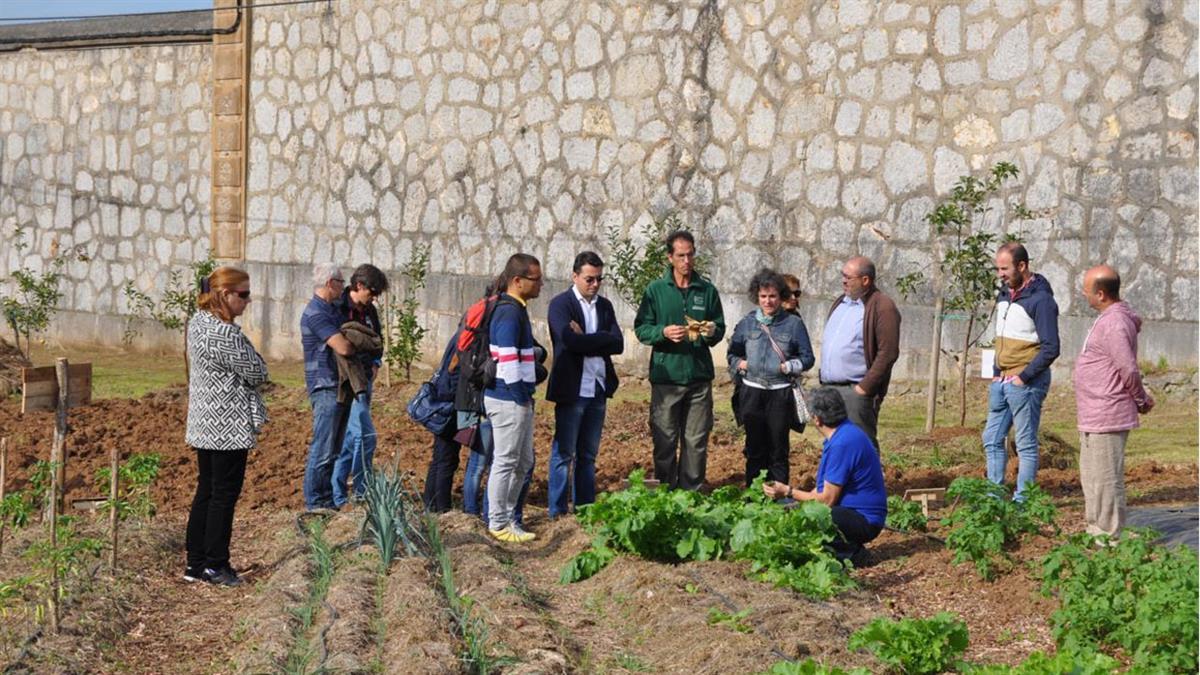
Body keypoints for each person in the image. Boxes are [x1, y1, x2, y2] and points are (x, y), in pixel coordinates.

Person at [184, 267, 268, 586]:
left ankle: (195, 563)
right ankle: (216, 565)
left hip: (205, 422)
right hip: (228, 426)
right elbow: (258, 371)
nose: (248, 300)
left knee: (206, 490)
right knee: (223, 495)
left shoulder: (198, 324)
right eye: (243, 294)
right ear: (224, 295)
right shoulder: (225, 334)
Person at [634, 230, 725, 490]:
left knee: (696, 441)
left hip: (698, 378)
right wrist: (662, 332)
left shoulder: (706, 291)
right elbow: (641, 328)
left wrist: (711, 331)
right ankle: (664, 492)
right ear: (670, 258)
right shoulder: (656, 290)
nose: (687, 261)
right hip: (667, 380)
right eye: (681, 256)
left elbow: (719, 327)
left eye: (691, 255)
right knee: (665, 441)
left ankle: (691, 494)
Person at [761, 387, 887, 563]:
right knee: (787, 507)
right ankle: (839, 547)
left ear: (817, 419)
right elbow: (822, 489)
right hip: (849, 512)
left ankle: (852, 554)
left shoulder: (843, 443)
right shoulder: (843, 433)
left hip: (865, 520)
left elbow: (827, 500)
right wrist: (792, 500)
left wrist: (789, 491)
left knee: (816, 516)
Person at [1073, 265, 1153, 537]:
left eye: (1087, 291)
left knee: (1106, 477)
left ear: (1102, 294)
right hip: (1093, 412)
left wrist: (1141, 398)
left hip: (1108, 410)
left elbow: (1127, 368)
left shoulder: (1117, 323)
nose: (1084, 295)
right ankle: (1096, 527)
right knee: (1092, 476)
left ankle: (1111, 532)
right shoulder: (1107, 318)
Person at [546, 251, 624, 517]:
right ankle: (557, 511)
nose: (595, 284)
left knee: (588, 456)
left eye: (599, 279)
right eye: (589, 279)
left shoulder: (604, 306)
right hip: (572, 388)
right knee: (564, 453)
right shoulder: (561, 305)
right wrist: (600, 340)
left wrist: (590, 338)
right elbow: (569, 341)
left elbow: (618, 343)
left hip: (598, 388)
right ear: (575, 276)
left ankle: (585, 510)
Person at [983, 242, 1060, 500]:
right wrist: (996, 371)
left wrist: (1023, 377)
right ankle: (994, 496)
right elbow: (1001, 335)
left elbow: (1051, 347)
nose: (1000, 274)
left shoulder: (1041, 300)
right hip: (1002, 380)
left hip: (1025, 383)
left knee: (1025, 444)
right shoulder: (1004, 294)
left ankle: (1023, 500)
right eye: (998, 268)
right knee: (992, 438)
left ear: (1022, 266)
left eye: (1004, 268)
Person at [728, 268, 814, 485]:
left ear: (781, 297)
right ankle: (754, 495)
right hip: (752, 392)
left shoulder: (794, 325)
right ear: (756, 297)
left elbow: (808, 358)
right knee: (754, 448)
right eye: (763, 296)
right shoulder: (748, 323)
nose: (768, 301)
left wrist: (789, 366)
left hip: (780, 393)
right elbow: (733, 352)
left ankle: (779, 497)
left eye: (773, 296)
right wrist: (740, 364)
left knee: (778, 449)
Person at [484, 253, 544, 542]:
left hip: (517, 397)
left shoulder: (517, 309)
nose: (541, 284)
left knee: (522, 461)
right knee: (506, 461)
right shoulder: (509, 312)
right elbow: (506, 360)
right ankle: (498, 522)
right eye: (536, 279)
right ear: (517, 281)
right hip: (508, 398)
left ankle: (508, 519)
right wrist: (521, 396)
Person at [818, 256, 901, 451]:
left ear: (866, 280)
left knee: (860, 445)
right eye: (843, 276)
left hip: (855, 391)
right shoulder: (841, 303)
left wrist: (864, 388)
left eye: (849, 277)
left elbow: (888, 352)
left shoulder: (882, 306)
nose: (844, 281)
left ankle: (868, 482)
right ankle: (836, 483)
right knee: (834, 446)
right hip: (830, 390)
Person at [331, 264, 389, 509]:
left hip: (365, 380)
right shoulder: (338, 309)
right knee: (366, 437)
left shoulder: (369, 312)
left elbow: (377, 340)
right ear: (359, 286)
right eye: (372, 292)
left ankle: (338, 495)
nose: (374, 298)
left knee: (351, 438)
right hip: (347, 382)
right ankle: (362, 494)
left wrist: (376, 362)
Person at [300, 263, 356, 513]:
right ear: (330, 283)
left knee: (334, 449)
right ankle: (315, 504)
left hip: (338, 386)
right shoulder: (316, 313)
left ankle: (326, 501)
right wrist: (358, 344)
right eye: (341, 282)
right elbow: (343, 347)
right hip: (325, 387)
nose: (343, 288)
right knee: (323, 449)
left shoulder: (332, 310)